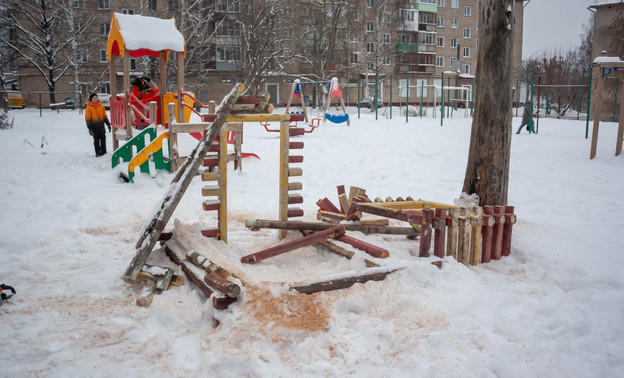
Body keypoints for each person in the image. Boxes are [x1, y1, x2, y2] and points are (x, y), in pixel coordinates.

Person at [85, 93, 111, 157]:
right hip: (94, 127)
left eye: (96, 97)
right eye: (94, 98)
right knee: (96, 141)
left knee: (103, 139)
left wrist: (108, 124)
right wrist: (90, 129)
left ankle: (104, 152)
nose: (95, 99)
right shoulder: (89, 108)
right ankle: (98, 153)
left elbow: (104, 116)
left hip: (101, 127)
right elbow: (88, 119)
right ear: (91, 99)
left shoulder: (101, 106)